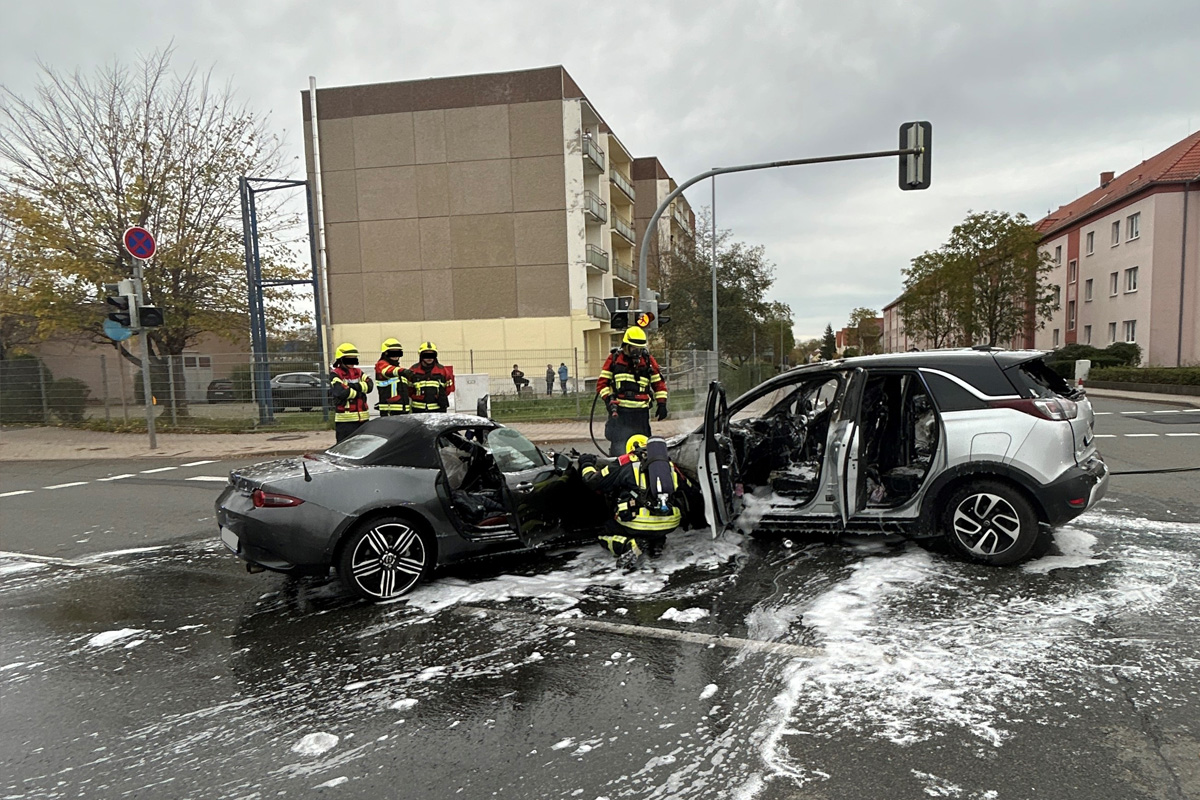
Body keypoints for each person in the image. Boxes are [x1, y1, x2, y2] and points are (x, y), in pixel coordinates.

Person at [578, 434, 694, 564]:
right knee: (654, 529)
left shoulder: (625, 462)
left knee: (604, 534)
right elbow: (690, 489)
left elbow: (593, 482)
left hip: (636, 523)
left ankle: (629, 545)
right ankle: (656, 545)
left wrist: (586, 463)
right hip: (669, 523)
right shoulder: (669, 466)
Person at [595, 326, 669, 456]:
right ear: (626, 346)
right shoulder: (614, 359)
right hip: (621, 413)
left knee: (644, 450)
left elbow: (659, 384)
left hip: (641, 414)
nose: (637, 352)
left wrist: (662, 403)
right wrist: (608, 400)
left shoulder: (648, 361)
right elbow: (602, 384)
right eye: (634, 348)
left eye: (640, 349)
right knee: (619, 452)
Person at [329, 342, 373, 442]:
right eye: (349, 359)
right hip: (345, 421)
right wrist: (360, 392)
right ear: (341, 359)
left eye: (354, 358)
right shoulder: (335, 374)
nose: (352, 362)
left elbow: (370, 386)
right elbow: (341, 392)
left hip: (363, 419)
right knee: (345, 447)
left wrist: (351, 386)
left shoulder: (359, 372)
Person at [410, 342, 453, 413]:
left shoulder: (442, 370)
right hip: (418, 410)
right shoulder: (413, 370)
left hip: (438, 410)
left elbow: (448, 389)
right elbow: (409, 389)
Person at [375, 338, 413, 416]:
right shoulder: (381, 365)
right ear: (385, 353)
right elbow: (387, 371)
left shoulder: (397, 370)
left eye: (398, 353)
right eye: (392, 353)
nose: (395, 355)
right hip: (389, 411)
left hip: (403, 410)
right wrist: (403, 371)